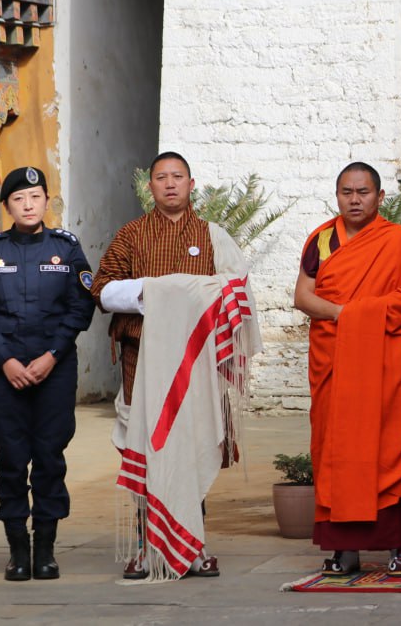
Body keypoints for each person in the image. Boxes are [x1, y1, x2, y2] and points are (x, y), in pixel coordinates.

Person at [93, 151, 262, 580]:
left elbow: (237, 289)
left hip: (195, 368)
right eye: (161, 178)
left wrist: (191, 298)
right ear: (149, 186)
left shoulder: (212, 235)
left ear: (191, 184)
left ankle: (194, 546)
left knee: (192, 446)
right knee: (147, 449)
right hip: (142, 362)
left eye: (178, 177)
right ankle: (147, 549)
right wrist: (159, 293)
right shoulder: (131, 235)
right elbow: (102, 290)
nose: (170, 184)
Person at [295, 162, 401, 577]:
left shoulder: (399, 241)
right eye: (347, 192)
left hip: (389, 364)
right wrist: (348, 316)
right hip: (335, 359)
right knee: (338, 450)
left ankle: (398, 545)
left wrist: (357, 317)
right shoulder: (320, 240)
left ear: (380, 197)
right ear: (337, 196)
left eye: (363, 192)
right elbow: (303, 296)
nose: (355, 200)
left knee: (394, 446)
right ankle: (345, 550)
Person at [0, 167, 94, 581]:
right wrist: (6, 359)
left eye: (35, 197)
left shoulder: (66, 249)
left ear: (47, 201)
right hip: (3, 371)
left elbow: (81, 307)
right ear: (6, 205)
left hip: (55, 371)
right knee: (11, 458)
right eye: (18, 199)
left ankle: (44, 548)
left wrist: (51, 355)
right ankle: (17, 551)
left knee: (49, 457)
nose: (28, 205)